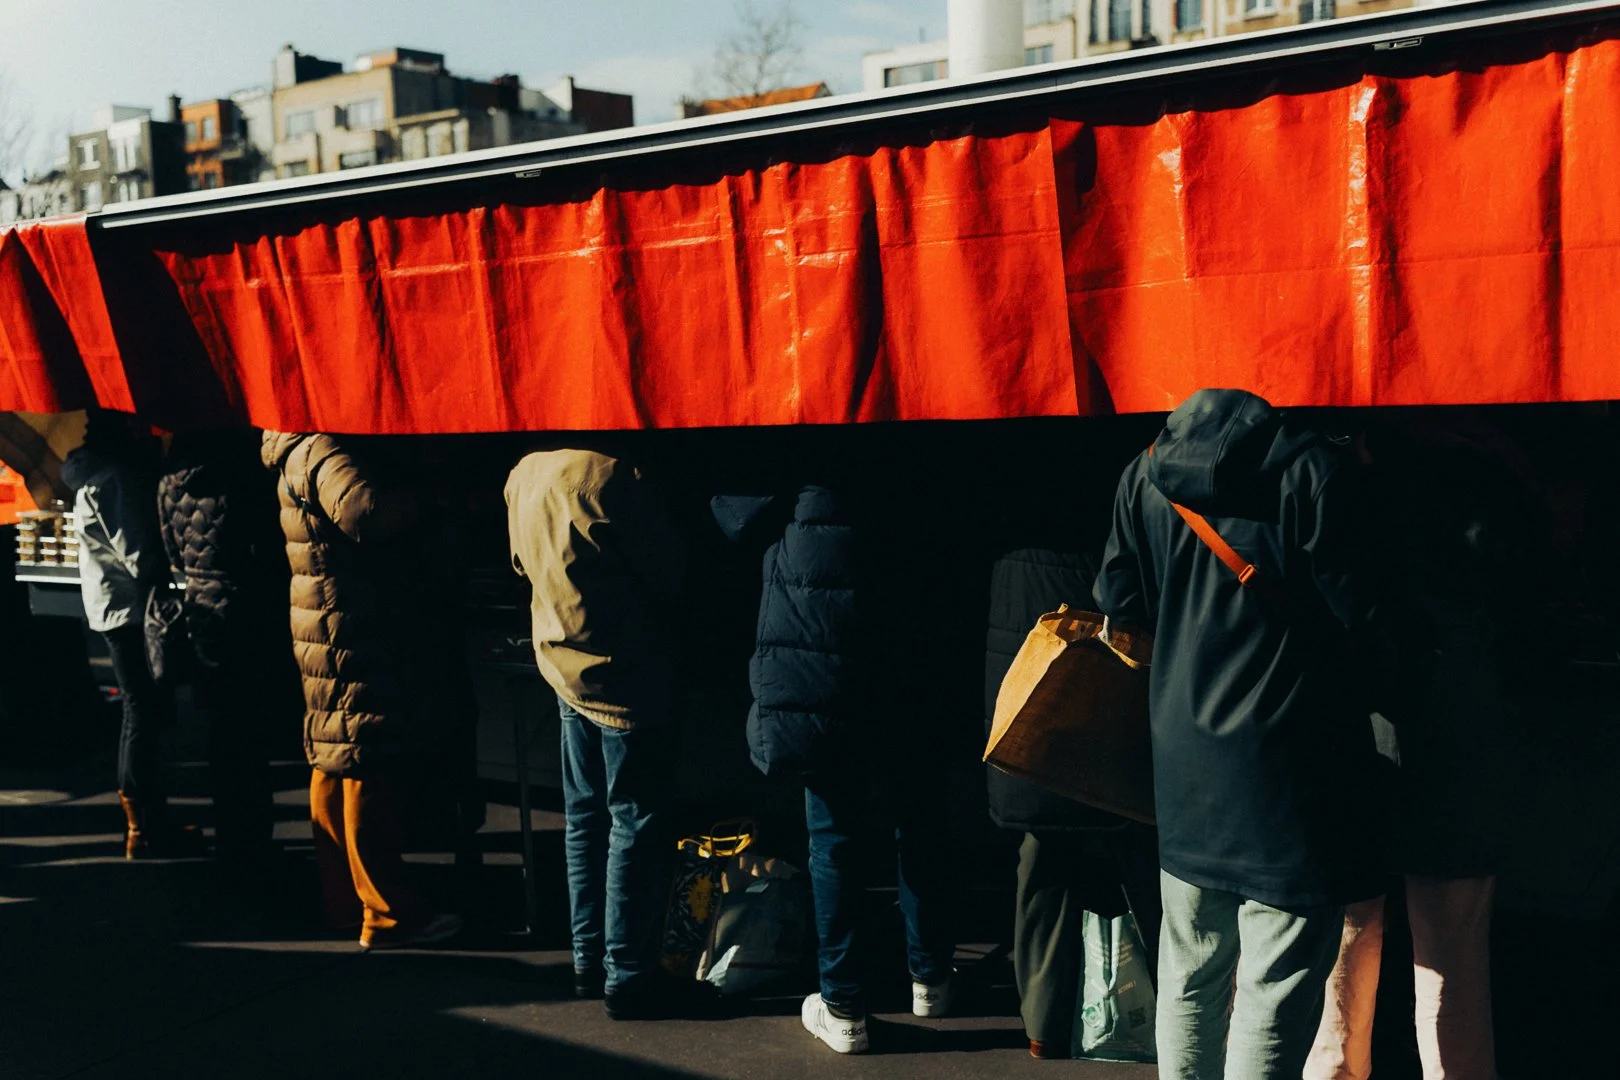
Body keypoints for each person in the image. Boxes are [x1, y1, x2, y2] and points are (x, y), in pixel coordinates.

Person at [1092, 389, 1386, 1080]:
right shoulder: (1316, 474)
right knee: (1274, 987)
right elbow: (1366, 621)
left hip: (1184, 771)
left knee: (1189, 970)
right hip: (1293, 778)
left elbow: (1119, 605)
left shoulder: (1145, 470)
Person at [1305, 414, 1529, 1080]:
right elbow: (1529, 607)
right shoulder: (1488, 479)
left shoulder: (1337, 486)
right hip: (1462, 728)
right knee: (1453, 960)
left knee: (1344, 953)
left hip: (1358, 733)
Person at [715, 470, 957, 1056]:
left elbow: (732, 513)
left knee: (833, 838)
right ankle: (930, 982)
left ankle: (845, 1008)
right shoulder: (912, 446)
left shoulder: (797, 454)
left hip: (820, 677)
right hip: (905, 661)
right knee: (916, 821)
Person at [261, 431, 461, 950]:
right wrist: (433, 494)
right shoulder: (318, 444)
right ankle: (387, 914)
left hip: (331, 619)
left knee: (335, 759)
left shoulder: (297, 443)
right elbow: (363, 510)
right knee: (363, 758)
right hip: (349, 620)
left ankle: (345, 901)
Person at [505, 449, 687, 1018]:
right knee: (634, 820)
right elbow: (670, 576)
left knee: (584, 816)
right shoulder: (614, 476)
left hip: (563, 665)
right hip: (623, 674)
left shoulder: (527, 469)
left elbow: (519, 562)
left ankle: (587, 960)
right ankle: (628, 973)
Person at [984, 542, 1161, 1060]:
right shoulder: (1128, 476)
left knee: (1044, 853)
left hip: (1029, 641)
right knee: (1137, 838)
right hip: (1112, 650)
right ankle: (1163, 1010)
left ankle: (1043, 1024)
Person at [157, 430, 297, 871]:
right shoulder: (239, 477)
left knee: (221, 731)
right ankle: (254, 839)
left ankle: (232, 837)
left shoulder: (168, 483)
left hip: (202, 613)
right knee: (251, 732)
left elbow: (173, 554)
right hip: (246, 610)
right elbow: (267, 545)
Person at [62, 411, 200, 859]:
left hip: (108, 606)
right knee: (142, 712)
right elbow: (138, 554)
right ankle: (143, 826)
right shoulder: (115, 479)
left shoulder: (86, 475)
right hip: (130, 610)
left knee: (140, 710)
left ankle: (145, 820)